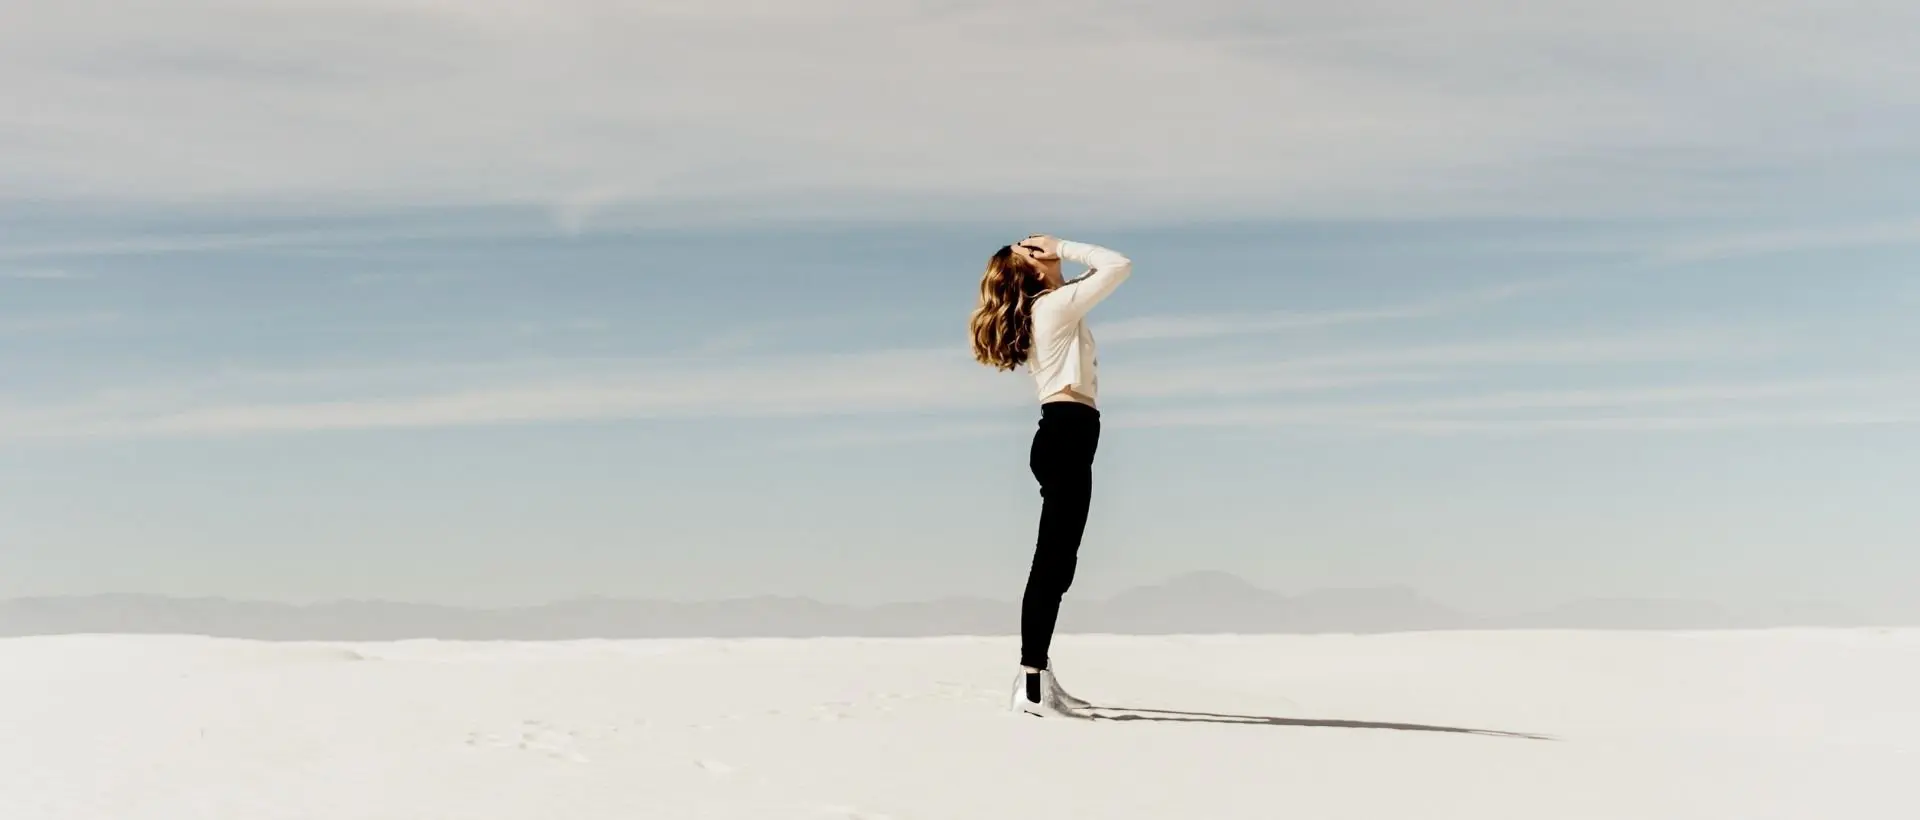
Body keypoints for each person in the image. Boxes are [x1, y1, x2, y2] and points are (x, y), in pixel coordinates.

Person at [968, 233, 1132, 718]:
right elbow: (1117, 265)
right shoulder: (1052, 307)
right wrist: (1063, 244)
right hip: (1066, 435)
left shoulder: (1055, 305)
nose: (1042, 247)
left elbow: (1097, 276)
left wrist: (1057, 258)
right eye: (1032, 249)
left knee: (1059, 565)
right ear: (1033, 269)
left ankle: (1039, 676)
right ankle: (1032, 686)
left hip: (1068, 436)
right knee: (1051, 565)